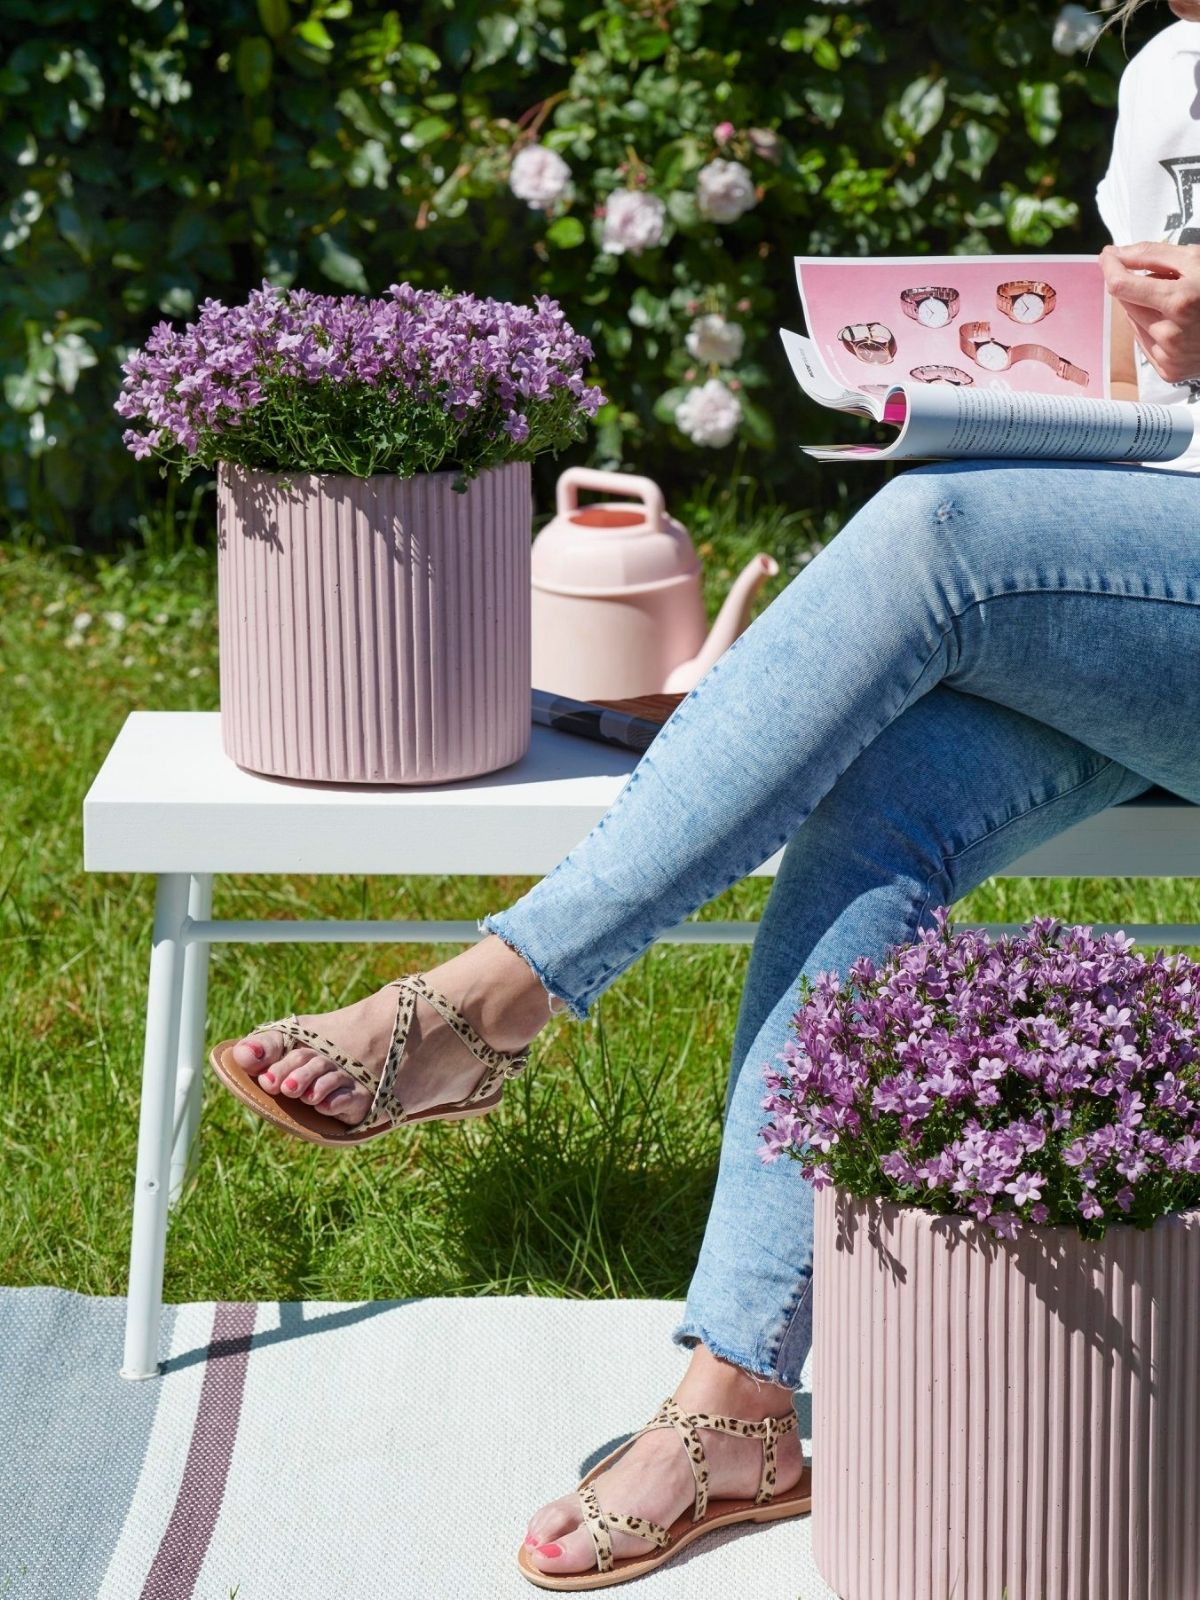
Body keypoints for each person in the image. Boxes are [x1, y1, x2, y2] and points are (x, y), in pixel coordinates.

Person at [215, 0, 1200, 1585]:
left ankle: (502, 993)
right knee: (876, 807)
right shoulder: (1169, 73)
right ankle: (740, 1407)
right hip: (1148, 589)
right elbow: (1152, 367)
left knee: (936, 544)